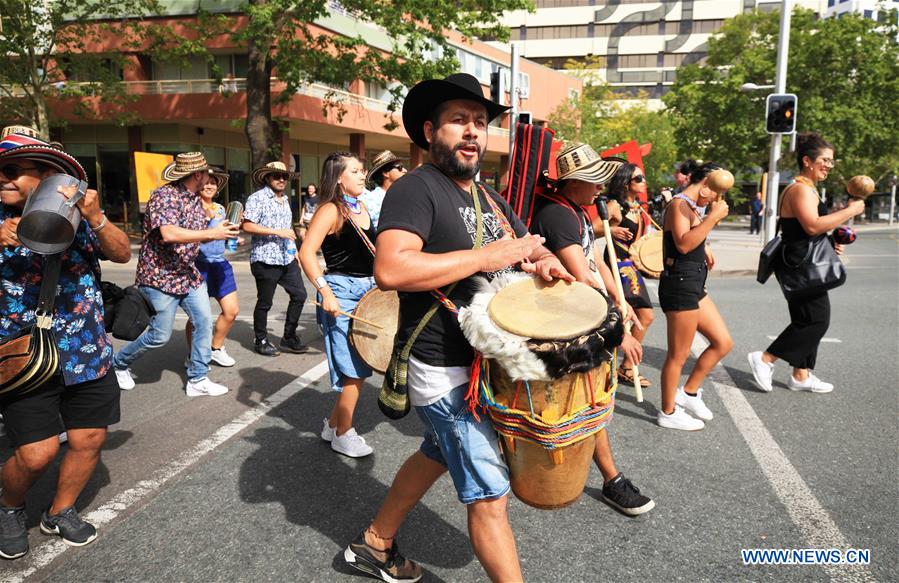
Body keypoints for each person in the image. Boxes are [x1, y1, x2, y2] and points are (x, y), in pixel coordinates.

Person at [343, 73, 572, 583]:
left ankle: (374, 543)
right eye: (458, 121)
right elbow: (392, 269)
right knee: (490, 493)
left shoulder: (486, 196)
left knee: (436, 454)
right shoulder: (415, 189)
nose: (472, 132)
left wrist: (544, 261)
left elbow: (526, 243)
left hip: (485, 362)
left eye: (479, 122)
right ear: (430, 131)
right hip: (440, 365)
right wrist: (486, 256)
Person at [0, 125, 131, 557]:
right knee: (35, 454)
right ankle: (9, 506)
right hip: (24, 356)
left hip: (87, 352)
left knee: (88, 439)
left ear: (47, 176)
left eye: (15, 170)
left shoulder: (76, 212)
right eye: (1, 171)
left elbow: (121, 252)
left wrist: (97, 216)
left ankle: (60, 510)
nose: (4, 178)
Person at [529, 142, 655, 516]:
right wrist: (622, 330)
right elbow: (580, 275)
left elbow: (597, 261)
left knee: (587, 400)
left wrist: (622, 299)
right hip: (566, 323)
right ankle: (612, 479)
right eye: (594, 181)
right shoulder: (557, 215)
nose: (601, 188)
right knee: (586, 399)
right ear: (574, 182)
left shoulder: (578, 213)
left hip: (583, 317)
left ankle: (608, 476)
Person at [747, 133, 865, 394]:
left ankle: (801, 375)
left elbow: (810, 228)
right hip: (800, 264)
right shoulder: (800, 189)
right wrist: (850, 211)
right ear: (807, 161)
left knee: (806, 318)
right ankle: (765, 358)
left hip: (804, 261)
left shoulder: (808, 188)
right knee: (816, 320)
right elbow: (811, 225)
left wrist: (832, 238)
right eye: (825, 160)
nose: (829, 166)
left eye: (832, 161)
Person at [113, 152, 238, 396]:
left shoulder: (194, 200)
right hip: (160, 276)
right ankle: (118, 364)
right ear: (197, 175)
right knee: (159, 335)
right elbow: (169, 233)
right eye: (206, 175)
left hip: (187, 274)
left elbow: (196, 238)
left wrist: (221, 233)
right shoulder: (165, 196)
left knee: (203, 322)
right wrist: (213, 234)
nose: (209, 180)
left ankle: (198, 379)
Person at [299, 152, 376, 458]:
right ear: (339, 177)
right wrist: (325, 292)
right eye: (355, 171)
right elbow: (307, 253)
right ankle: (343, 433)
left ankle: (332, 425)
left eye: (362, 170)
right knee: (354, 370)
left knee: (362, 362)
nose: (362, 175)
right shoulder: (330, 210)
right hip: (341, 290)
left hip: (368, 291)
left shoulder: (363, 206)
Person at [657, 162, 733, 431]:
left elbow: (694, 237)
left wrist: (707, 244)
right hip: (679, 284)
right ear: (706, 185)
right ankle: (668, 411)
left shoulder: (690, 207)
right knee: (679, 355)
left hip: (693, 284)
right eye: (716, 191)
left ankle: (688, 393)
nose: (717, 198)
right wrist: (713, 218)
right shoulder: (679, 204)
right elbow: (684, 243)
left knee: (722, 342)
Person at [243, 161, 308, 356]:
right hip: (265, 258)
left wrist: (294, 251)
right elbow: (247, 226)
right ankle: (261, 340)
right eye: (276, 176)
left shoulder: (285, 199)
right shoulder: (258, 198)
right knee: (265, 302)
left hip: (286, 258)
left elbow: (287, 229)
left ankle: (289, 336)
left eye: (285, 177)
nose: (281, 179)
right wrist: (276, 232)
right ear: (267, 177)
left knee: (300, 295)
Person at [604, 163, 655, 388]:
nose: (644, 181)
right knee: (619, 318)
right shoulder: (614, 206)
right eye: (639, 178)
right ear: (626, 183)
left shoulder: (639, 208)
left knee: (645, 317)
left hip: (630, 267)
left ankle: (625, 367)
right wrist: (611, 230)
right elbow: (591, 227)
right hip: (614, 266)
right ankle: (608, 367)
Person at [184, 168, 239, 367]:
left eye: (213, 183)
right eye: (206, 182)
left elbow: (224, 234)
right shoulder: (190, 206)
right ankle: (193, 355)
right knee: (197, 317)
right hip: (197, 265)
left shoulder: (220, 208)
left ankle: (215, 348)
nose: (209, 186)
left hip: (220, 264)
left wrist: (234, 236)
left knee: (231, 311)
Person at [360, 150, 406, 229]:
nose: (405, 170)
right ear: (385, 173)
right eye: (399, 167)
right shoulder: (369, 200)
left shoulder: (403, 197)